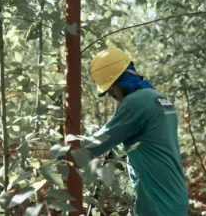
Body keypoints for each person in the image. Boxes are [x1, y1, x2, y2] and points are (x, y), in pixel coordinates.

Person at [81, 48, 189, 215]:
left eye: (110, 88)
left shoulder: (134, 103)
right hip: (175, 198)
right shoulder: (159, 98)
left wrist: (54, 149)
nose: (110, 94)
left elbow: (93, 147)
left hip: (156, 204)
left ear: (119, 81)